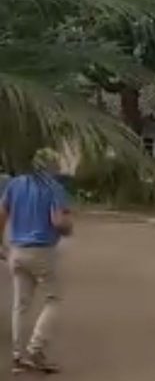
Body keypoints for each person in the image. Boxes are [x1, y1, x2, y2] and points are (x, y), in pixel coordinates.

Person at [0, 148, 73, 375]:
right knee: (54, 298)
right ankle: (36, 349)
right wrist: (68, 226)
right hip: (41, 251)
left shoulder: (15, 184)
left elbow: (2, 214)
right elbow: (59, 222)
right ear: (49, 166)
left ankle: (18, 357)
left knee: (20, 305)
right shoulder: (53, 188)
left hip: (17, 250)